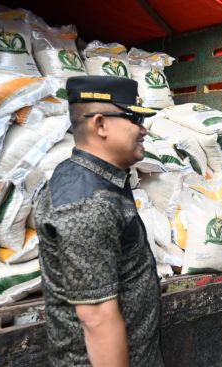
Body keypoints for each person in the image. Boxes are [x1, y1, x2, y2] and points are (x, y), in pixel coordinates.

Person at [35, 76, 164, 367]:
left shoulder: (106, 180)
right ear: (100, 124)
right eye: (133, 118)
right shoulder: (85, 201)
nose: (143, 129)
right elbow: (97, 318)